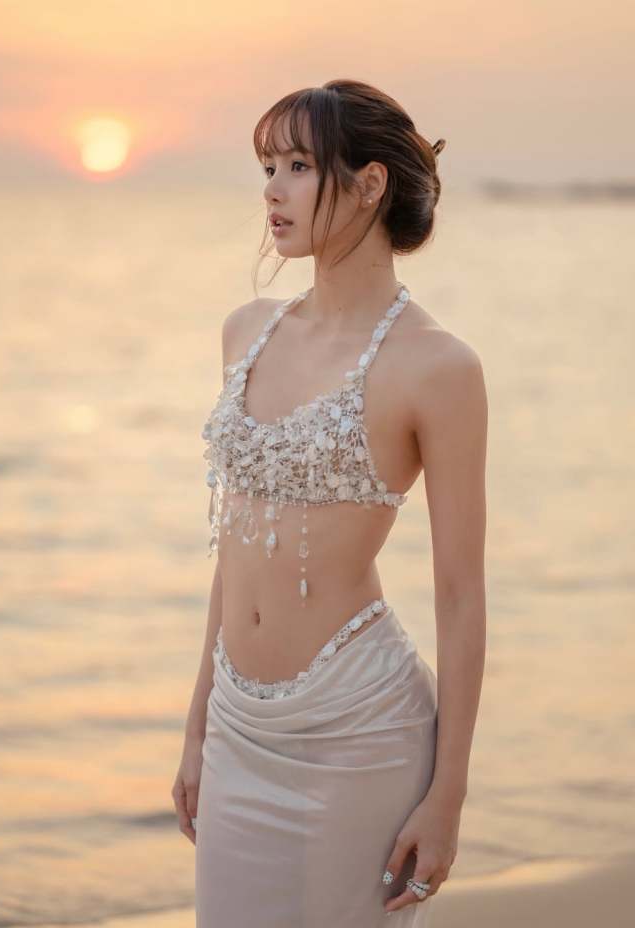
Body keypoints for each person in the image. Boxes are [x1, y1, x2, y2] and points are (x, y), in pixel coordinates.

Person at [173, 78, 487, 927]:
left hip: (359, 732)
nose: (272, 188)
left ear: (370, 183)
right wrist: (199, 723)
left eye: (300, 165)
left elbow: (461, 594)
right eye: (267, 165)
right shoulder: (247, 330)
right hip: (239, 728)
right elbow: (236, 544)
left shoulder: (438, 368)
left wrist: (448, 798)